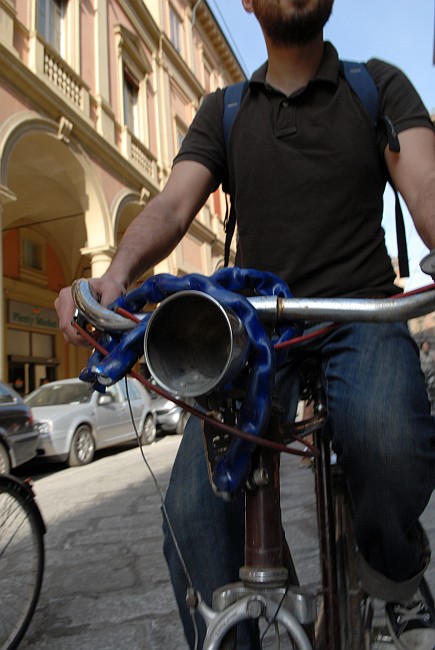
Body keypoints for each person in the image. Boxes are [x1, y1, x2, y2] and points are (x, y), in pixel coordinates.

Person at [55, 1, 435, 648]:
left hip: (360, 313)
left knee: (389, 438)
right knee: (194, 516)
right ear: (249, 4)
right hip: (257, 327)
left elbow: (424, 186)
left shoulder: (376, 83)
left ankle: (391, 572)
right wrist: (113, 278)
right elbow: (175, 204)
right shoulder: (224, 109)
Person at [420, 340, 435, 415]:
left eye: (427, 345)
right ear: (422, 347)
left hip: (432, 374)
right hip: (423, 375)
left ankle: (433, 407)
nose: (426, 347)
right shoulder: (419, 354)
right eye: (424, 346)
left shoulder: (432, 353)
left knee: (432, 387)